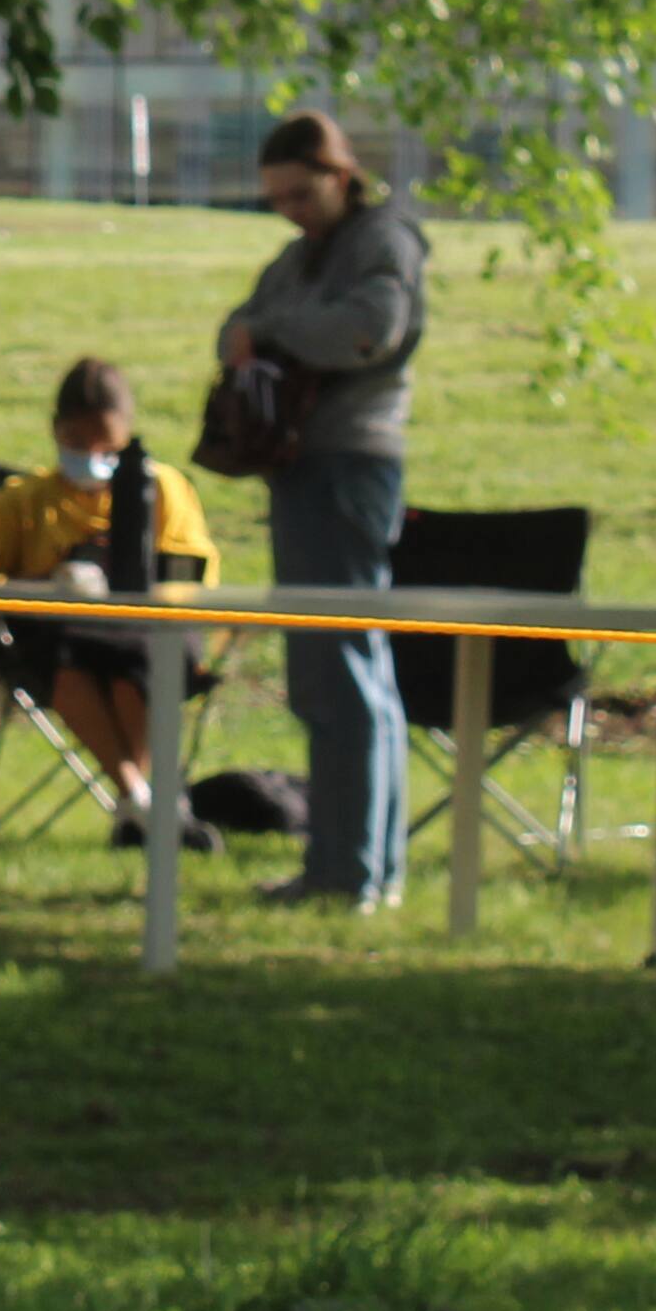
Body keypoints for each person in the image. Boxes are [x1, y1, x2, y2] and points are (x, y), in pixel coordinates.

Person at [223, 109, 430, 907]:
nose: (290, 210)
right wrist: (256, 330)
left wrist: (271, 331)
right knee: (334, 673)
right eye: (276, 198)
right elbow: (231, 332)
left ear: (343, 175)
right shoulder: (295, 257)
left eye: (302, 193)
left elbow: (368, 330)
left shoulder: (385, 242)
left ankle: (349, 873)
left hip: (348, 467)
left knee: (343, 673)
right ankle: (354, 869)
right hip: (301, 468)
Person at [0, 356, 221, 845]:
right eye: (77, 443)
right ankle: (147, 803)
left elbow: (191, 577)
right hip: (55, 641)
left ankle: (136, 806)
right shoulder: (24, 498)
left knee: (135, 664)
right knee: (69, 662)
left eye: (106, 446)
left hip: (145, 636)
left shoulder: (162, 489)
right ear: (56, 432)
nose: (92, 456)